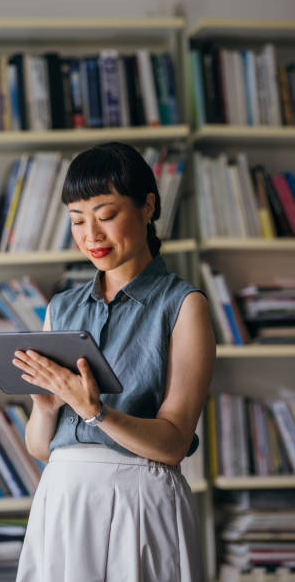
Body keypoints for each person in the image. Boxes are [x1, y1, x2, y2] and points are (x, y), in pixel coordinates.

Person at [13, 142, 216, 582]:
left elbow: (174, 442)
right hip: (64, 498)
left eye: (105, 216)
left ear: (148, 207)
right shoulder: (61, 308)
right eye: (77, 220)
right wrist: (47, 408)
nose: (91, 235)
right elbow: (40, 447)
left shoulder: (183, 305)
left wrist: (94, 411)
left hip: (140, 497)